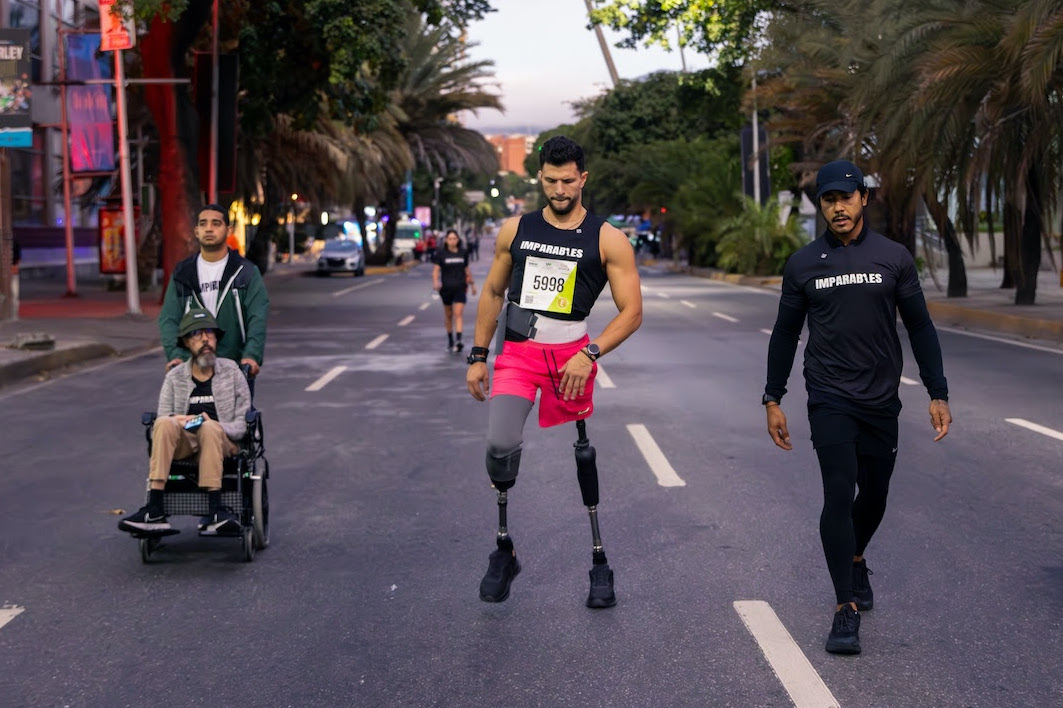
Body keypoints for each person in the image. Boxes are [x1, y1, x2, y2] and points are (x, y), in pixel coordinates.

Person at [762, 160, 952, 655]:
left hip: (880, 398)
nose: (838, 207)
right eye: (828, 200)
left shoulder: (893, 258)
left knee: (875, 496)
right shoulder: (804, 264)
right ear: (821, 206)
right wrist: (772, 396)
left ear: (864, 198)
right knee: (838, 490)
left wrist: (937, 391)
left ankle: (857, 556)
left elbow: (920, 326)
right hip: (828, 396)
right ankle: (844, 609)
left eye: (845, 197)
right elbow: (785, 333)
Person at [465, 135, 643, 607]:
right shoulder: (514, 230)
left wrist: (592, 354)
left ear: (583, 178)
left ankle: (599, 560)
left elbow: (632, 311)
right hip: (519, 354)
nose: (559, 189)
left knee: (583, 452)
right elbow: (492, 294)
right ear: (539, 177)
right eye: (550, 180)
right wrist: (479, 356)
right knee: (499, 446)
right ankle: (504, 549)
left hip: (572, 358)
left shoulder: (607, 238)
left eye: (568, 181)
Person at [119, 308, 252, 537]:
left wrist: (214, 424)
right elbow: (164, 420)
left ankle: (215, 511)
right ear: (187, 343)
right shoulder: (174, 377)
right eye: (196, 334)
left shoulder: (232, 372)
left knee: (209, 427)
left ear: (216, 339)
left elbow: (242, 425)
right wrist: (182, 420)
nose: (204, 339)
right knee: (163, 424)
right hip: (185, 443)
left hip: (223, 443)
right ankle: (155, 510)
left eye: (209, 333)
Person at [159, 204, 269, 383]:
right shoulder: (182, 273)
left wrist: (251, 355)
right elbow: (169, 318)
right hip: (192, 366)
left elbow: (257, 317)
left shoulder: (246, 272)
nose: (209, 228)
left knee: (238, 412)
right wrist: (175, 354)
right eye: (203, 224)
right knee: (191, 412)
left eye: (216, 223)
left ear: (229, 230)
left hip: (235, 365)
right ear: (196, 231)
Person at [432, 228, 476, 353]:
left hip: (460, 287)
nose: (452, 241)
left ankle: (459, 340)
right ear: (446, 240)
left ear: (458, 240)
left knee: (458, 313)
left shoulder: (463, 252)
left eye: (454, 239)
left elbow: (467, 269)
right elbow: (436, 270)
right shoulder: (441, 254)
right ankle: (450, 339)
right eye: (450, 239)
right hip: (446, 289)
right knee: (449, 315)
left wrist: (472, 285)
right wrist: (435, 282)